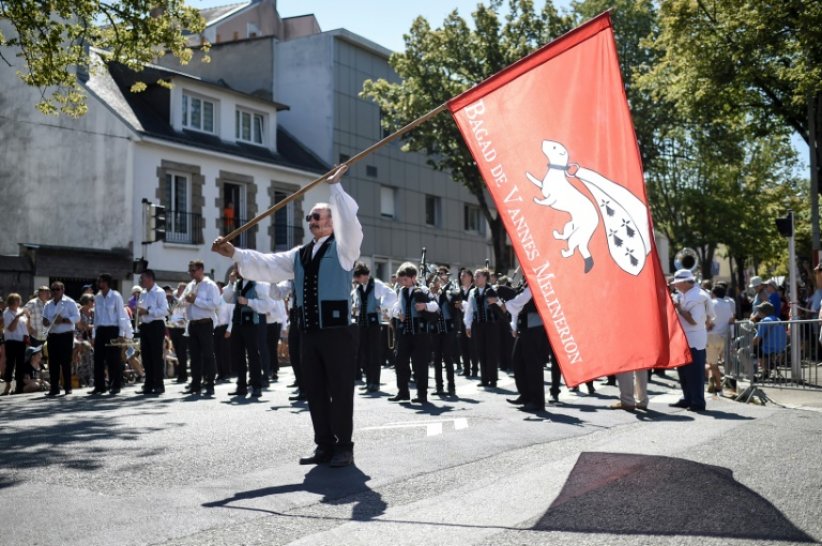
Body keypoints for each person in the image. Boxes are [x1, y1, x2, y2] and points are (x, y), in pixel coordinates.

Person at [212, 164, 361, 467]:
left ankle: (344, 446)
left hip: (336, 332)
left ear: (332, 222)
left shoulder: (346, 248)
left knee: (341, 390)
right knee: (314, 390)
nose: (312, 220)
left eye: (317, 216)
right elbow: (267, 263)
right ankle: (324, 445)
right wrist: (235, 254)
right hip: (308, 331)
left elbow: (351, 223)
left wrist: (335, 188)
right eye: (310, 217)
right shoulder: (299, 254)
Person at [390, 262, 439, 404]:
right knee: (399, 360)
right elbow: (395, 308)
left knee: (420, 364)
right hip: (405, 332)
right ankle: (403, 392)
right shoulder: (401, 291)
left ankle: (422, 394)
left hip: (421, 333)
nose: (403, 283)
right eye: (401, 280)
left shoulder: (423, 290)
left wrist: (425, 306)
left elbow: (436, 306)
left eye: (405, 279)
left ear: (413, 277)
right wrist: (398, 313)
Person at [223, 269, 273, 397]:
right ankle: (241, 386)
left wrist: (248, 302)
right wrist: (230, 283)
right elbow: (227, 299)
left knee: (253, 355)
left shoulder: (258, 284)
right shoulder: (237, 284)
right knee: (238, 355)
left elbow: (268, 305)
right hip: (238, 323)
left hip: (252, 324)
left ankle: (256, 386)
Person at [670, 269, 714, 412]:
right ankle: (689, 398)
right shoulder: (687, 294)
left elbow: (694, 320)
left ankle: (697, 402)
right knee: (683, 371)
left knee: (694, 372)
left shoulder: (697, 296)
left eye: (677, 283)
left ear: (684, 282)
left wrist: (678, 308)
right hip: (686, 337)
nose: (675, 285)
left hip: (694, 338)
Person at [352, 262, 397, 394]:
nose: (357, 280)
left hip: (373, 323)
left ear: (364, 275)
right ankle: (368, 382)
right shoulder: (358, 288)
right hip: (362, 322)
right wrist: (356, 307)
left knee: (374, 353)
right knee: (365, 352)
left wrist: (382, 306)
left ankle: (375, 382)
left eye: (358, 277)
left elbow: (392, 295)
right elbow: (356, 302)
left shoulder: (376, 284)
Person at [504, 284, 550, 412]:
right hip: (524, 326)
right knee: (518, 361)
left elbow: (521, 300)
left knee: (533, 364)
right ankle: (526, 396)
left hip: (534, 326)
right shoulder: (524, 283)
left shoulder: (534, 282)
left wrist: (504, 304)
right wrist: (514, 326)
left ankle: (537, 401)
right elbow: (518, 307)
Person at [180, 260, 222, 396]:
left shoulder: (210, 285)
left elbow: (215, 304)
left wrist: (196, 300)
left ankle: (210, 384)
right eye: (190, 271)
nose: (191, 274)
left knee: (208, 355)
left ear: (201, 270)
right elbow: (183, 302)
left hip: (205, 324)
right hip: (192, 324)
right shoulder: (190, 285)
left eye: (193, 270)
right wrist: (183, 301)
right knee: (194, 356)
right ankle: (195, 384)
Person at [90, 274, 132, 395]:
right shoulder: (97, 297)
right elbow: (96, 317)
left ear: (107, 283)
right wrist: (94, 334)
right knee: (98, 359)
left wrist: (121, 333)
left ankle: (115, 385)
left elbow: (121, 315)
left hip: (113, 329)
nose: (99, 284)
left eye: (101, 281)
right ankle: (99, 386)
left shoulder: (115, 296)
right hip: (101, 330)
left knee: (113, 359)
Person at [464, 268, 503, 387]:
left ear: (485, 277)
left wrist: (496, 300)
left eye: (478, 276)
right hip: (478, 325)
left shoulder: (493, 290)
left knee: (491, 351)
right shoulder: (472, 292)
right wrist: (468, 325)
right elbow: (469, 310)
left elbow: (502, 305)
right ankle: (484, 379)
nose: (475, 278)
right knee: (480, 351)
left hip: (491, 325)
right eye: (475, 276)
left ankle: (493, 379)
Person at [42, 282, 80, 396]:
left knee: (65, 362)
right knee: (53, 363)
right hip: (52, 335)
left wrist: (63, 320)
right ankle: (54, 388)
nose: (55, 292)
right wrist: (47, 322)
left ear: (63, 290)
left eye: (57, 289)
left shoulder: (70, 302)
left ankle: (67, 387)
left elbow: (77, 317)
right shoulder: (48, 304)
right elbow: (44, 320)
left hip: (65, 335)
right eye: (53, 289)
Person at [136, 269, 169, 395]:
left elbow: (165, 310)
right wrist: (139, 313)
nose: (141, 281)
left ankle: (159, 385)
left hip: (156, 325)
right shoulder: (143, 293)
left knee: (156, 356)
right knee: (146, 356)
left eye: (143, 278)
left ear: (150, 279)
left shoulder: (159, 292)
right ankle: (148, 384)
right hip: (145, 325)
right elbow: (142, 309)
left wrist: (149, 312)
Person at [429, 275, 457, 396]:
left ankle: (451, 386)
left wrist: (444, 291)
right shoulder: (428, 296)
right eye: (433, 282)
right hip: (435, 330)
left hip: (447, 330)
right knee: (437, 359)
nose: (435, 284)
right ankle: (439, 387)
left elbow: (455, 297)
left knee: (447, 357)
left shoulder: (446, 293)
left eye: (437, 282)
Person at [707, 283, 735, 393]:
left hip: (712, 335)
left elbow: (708, 320)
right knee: (720, 362)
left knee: (713, 363)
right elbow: (731, 319)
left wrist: (709, 325)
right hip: (724, 336)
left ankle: (718, 385)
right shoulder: (728, 304)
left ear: (713, 293)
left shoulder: (711, 303)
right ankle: (715, 381)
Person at [753, 301, 788, 380]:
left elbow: (757, 339)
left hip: (769, 348)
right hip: (781, 347)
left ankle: (762, 371)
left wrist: (748, 344)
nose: (758, 313)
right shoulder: (778, 319)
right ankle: (766, 369)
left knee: (750, 349)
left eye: (759, 311)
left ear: (763, 312)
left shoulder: (765, 321)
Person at [2, 293, 29, 395]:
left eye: (18, 300)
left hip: (21, 341)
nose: (17, 303)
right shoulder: (7, 313)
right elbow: (11, 328)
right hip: (11, 341)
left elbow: (25, 327)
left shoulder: (20, 311)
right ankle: (8, 385)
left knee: (20, 364)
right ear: (10, 302)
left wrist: (28, 318)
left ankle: (19, 386)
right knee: (10, 363)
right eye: (15, 301)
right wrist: (18, 317)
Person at [168, 282, 189, 383]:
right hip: (174, 328)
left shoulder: (187, 300)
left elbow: (188, 314)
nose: (181, 290)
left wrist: (183, 320)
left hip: (183, 329)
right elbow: (171, 313)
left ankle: (183, 375)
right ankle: (179, 373)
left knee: (182, 353)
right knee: (177, 353)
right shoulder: (174, 301)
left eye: (183, 289)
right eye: (180, 288)